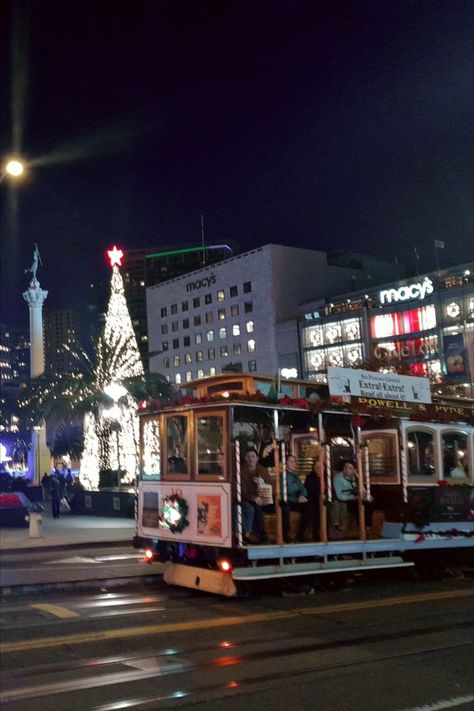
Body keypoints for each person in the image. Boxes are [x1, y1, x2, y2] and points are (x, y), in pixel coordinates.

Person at [240, 448, 274, 543]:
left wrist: (264, 486)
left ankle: (285, 534)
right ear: (245, 459)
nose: (251, 459)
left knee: (282, 505)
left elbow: (271, 484)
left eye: (253, 456)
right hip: (249, 499)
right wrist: (253, 498)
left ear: (257, 458)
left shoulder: (262, 470)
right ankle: (261, 533)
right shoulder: (241, 471)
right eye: (248, 457)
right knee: (256, 508)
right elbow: (242, 490)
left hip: (264, 498)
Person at [331, 460, 373, 533]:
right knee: (356, 506)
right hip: (344, 499)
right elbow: (339, 495)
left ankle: (368, 527)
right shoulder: (338, 478)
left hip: (355, 498)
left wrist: (367, 495)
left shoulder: (356, 477)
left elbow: (362, 489)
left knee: (369, 504)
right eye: (345, 467)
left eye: (350, 468)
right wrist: (353, 497)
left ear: (354, 470)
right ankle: (360, 527)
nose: (346, 470)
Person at [280, 454, 309, 543]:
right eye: (291, 461)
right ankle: (286, 534)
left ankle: (302, 533)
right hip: (288, 501)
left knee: (309, 507)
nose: (294, 464)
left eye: (294, 461)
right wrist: (298, 497)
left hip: (296, 500)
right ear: (286, 464)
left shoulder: (296, 476)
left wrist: (302, 495)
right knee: (285, 508)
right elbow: (288, 491)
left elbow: (304, 490)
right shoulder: (283, 476)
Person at [301, 457, 322, 541]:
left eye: (320, 466)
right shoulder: (310, 477)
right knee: (315, 507)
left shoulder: (326, 477)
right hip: (314, 500)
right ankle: (315, 532)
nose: (318, 468)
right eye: (316, 466)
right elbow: (308, 491)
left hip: (325, 500)